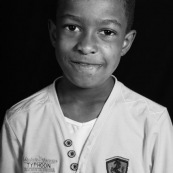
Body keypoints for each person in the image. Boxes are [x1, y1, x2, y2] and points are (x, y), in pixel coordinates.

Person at [1, 0, 173, 172]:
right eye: (72, 27)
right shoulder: (21, 120)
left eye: (107, 32)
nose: (86, 46)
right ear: (54, 34)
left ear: (125, 42)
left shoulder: (152, 122)